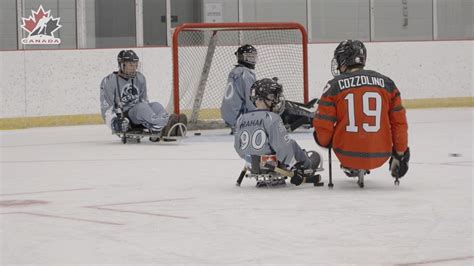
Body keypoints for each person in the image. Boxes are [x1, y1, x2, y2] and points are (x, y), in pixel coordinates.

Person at [313, 40, 410, 183]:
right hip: (381, 155)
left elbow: (323, 126)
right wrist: (400, 154)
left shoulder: (334, 86)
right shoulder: (388, 84)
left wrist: (324, 141)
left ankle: (353, 165)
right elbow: (399, 123)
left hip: (345, 154)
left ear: (344, 60)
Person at [234, 78, 322, 186]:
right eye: (273, 96)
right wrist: (294, 167)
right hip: (274, 165)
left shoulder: (241, 119)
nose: (276, 100)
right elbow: (283, 147)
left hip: (254, 166)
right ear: (264, 98)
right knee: (291, 143)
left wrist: (251, 160)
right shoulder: (272, 118)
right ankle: (307, 164)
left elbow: (238, 148)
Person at [100, 50, 187, 138]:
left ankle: (167, 123)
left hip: (139, 114)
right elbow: (107, 109)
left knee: (156, 105)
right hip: (125, 118)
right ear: (121, 64)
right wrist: (113, 123)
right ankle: (160, 126)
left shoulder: (140, 78)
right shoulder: (109, 81)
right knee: (141, 107)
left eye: (135, 64)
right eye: (130, 65)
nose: (134, 68)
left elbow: (144, 101)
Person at [220, 44, 258, 132]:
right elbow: (250, 100)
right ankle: (242, 124)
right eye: (249, 57)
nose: (252, 60)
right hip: (238, 116)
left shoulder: (234, 71)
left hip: (228, 113)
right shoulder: (245, 74)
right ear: (241, 57)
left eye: (253, 57)